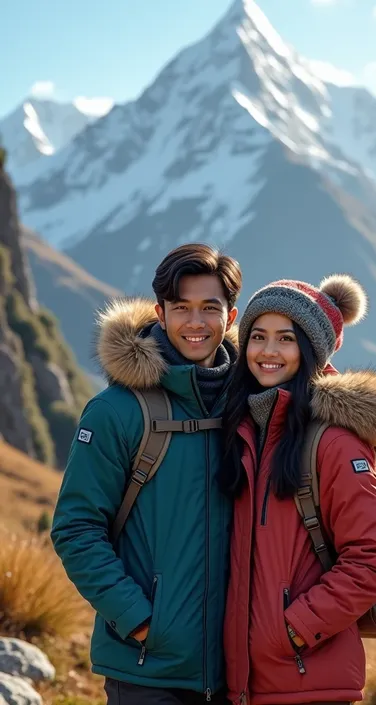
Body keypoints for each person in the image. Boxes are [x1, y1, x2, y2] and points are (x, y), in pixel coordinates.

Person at [51, 244, 242, 705]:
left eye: (209, 308)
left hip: (239, 669)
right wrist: (138, 621)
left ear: (231, 317)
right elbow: (76, 529)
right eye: (181, 308)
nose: (195, 323)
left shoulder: (246, 407)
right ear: (160, 313)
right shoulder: (115, 412)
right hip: (147, 672)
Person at [220, 275, 376, 705]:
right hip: (245, 685)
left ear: (310, 351)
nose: (268, 352)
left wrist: (291, 631)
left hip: (310, 683)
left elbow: (373, 560)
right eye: (258, 336)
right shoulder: (247, 430)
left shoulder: (334, 442)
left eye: (286, 339)